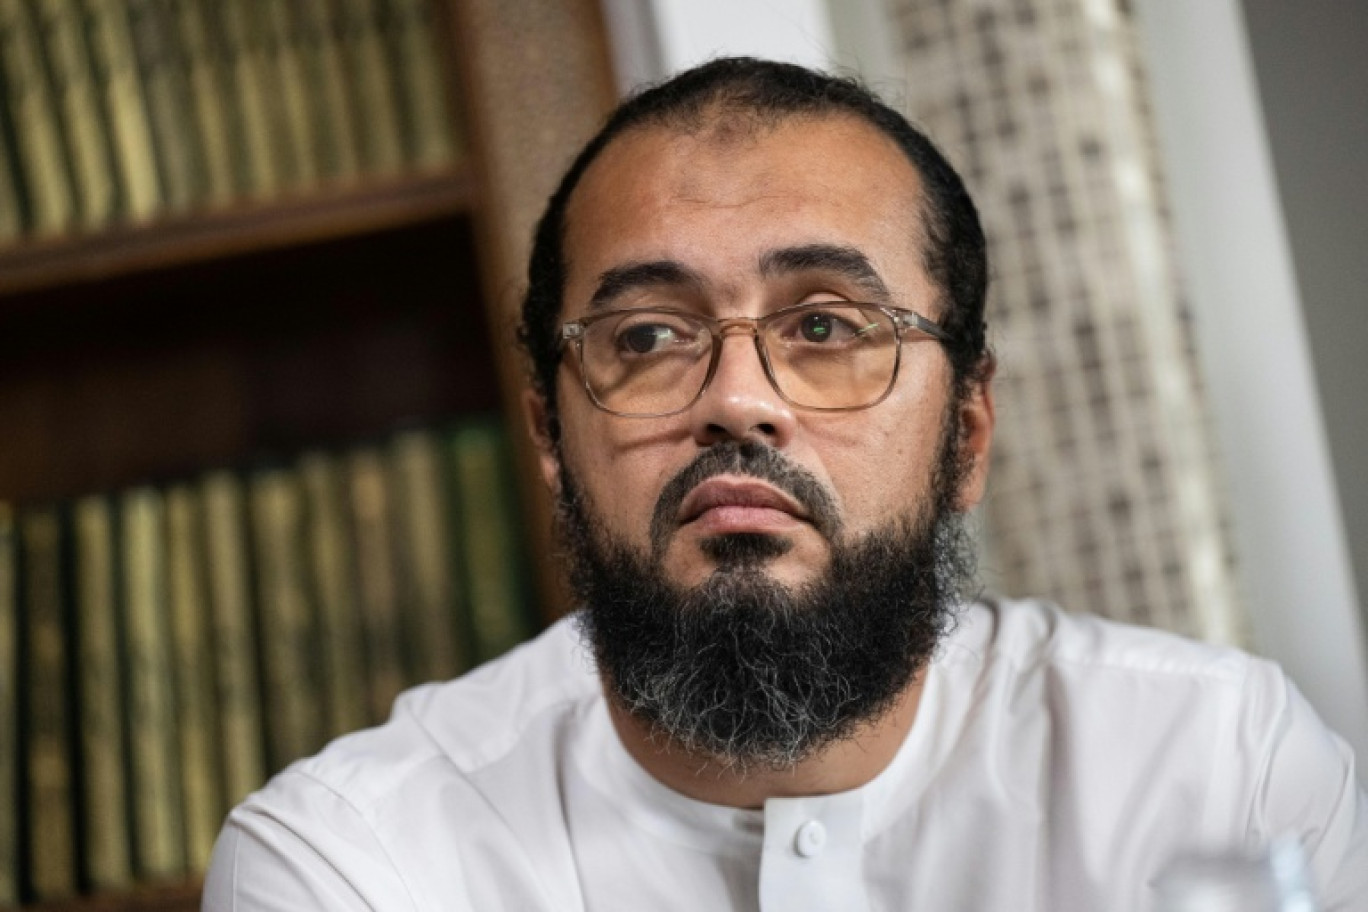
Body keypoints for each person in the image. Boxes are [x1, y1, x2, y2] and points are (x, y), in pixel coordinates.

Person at [202, 58, 1367, 911]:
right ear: (553, 441)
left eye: (824, 323)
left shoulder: (1222, 770)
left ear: (966, 432)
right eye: (649, 336)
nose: (739, 399)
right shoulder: (354, 864)